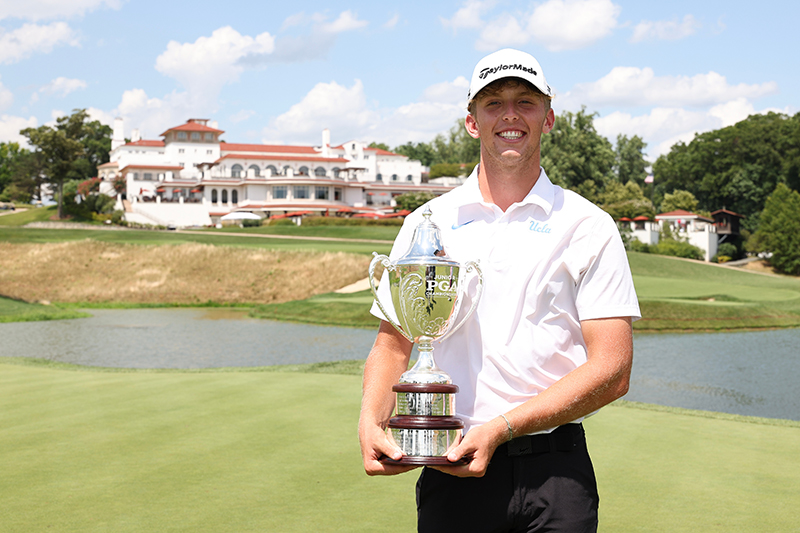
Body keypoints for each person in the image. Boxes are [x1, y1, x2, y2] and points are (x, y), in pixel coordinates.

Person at [358, 48, 640, 532]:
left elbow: (613, 370)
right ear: (471, 122)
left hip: (557, 474)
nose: (510, 114)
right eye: (493, 103)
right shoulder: (427, 224)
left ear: (548, 118)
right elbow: (393, 345)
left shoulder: (589, 225)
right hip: (452, 468)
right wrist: (370, 420)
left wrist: (501, 429)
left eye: (525, 101)